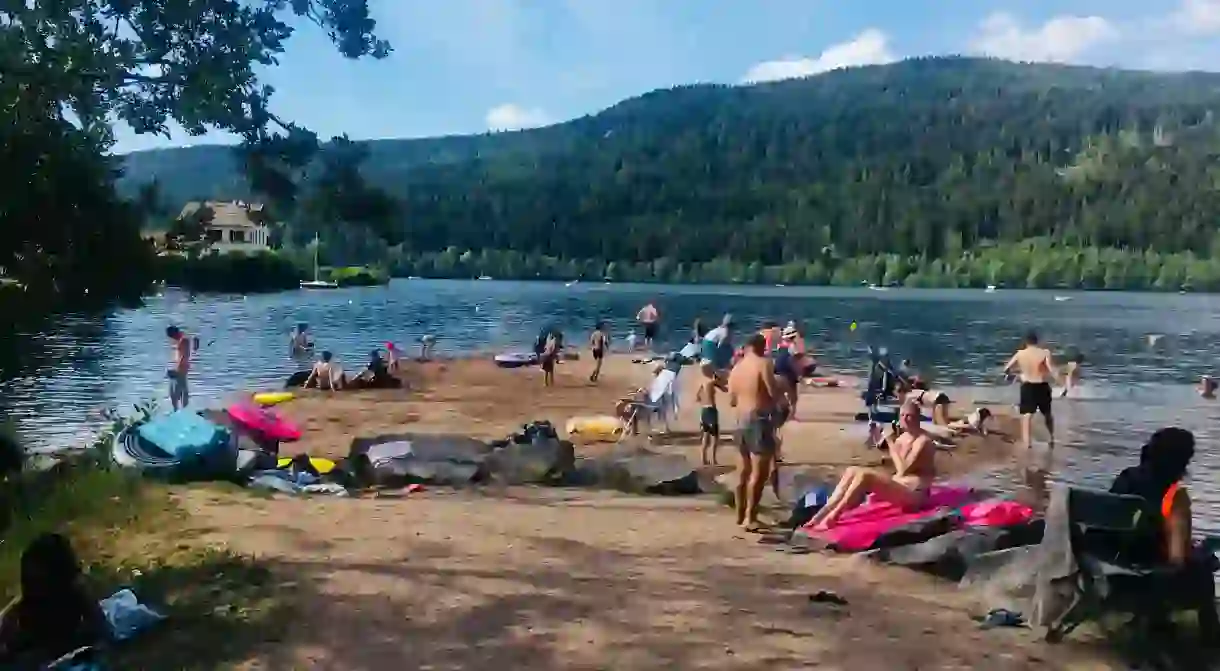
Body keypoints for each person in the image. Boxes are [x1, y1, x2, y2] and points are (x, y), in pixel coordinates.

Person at [1109, 428, 1220, 640]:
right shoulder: (1174, 494)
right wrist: (1198, 551)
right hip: (1151, 578)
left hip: (1114, 567)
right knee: (1206, 561)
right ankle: (1210, 632)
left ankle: (1156, 619)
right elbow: (1176, 559)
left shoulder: (1126, 478)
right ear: (1183, 460)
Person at [806, 400, 936, 530]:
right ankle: (822, 513)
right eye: (902, 415)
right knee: (852, 470)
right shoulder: (902, 438)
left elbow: (903, 469)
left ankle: (833, 517)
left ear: (918, 417)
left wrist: (890, 442)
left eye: (909, 416)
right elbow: (896, 463)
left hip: (915, 495)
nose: (905, 419)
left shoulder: (923, 441)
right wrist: (883, 443)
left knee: (866, 475)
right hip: (901, 486)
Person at [0, 533, 107, 666]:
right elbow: (15, 614)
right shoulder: (29, 597)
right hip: (36, 640)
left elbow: (100, 628)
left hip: (62, 641)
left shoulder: (77, 592)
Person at [727, 333, 781, 532]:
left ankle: (739, 515)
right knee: (759, 473)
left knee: (742, 471)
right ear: (761, 346)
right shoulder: (763, 363)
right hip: (758, 419)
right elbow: (772, 391)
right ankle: (750, 517)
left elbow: (731, 399)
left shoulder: (737, 367)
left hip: (740, 420)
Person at [1003, 330, 1058, 451]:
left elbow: (1006, 368)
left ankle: (1027, 443)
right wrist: (1057, 378)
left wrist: (1014, 375)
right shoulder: (1044, 353)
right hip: (1042, 385)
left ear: (1026, 342)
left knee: (1027, 415)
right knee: (1047, 414)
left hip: (1027, 385)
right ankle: (1051, 438)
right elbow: (1050, 368)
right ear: (1037, 341)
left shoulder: (1020, 354)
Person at [696, 364, 727, 465]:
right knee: (715, 437)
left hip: (704, 410)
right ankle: (713, 459)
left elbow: (697, 397)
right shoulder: (711, 382)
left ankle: (703, 458)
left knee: (706, 435)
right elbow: (724, 386)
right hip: (711, 411)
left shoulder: (702, 383)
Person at [165, 325, 196, 410]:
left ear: (174, 334)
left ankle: (178, 411)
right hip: (182, 368)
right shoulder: (182, 340)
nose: (172, 339)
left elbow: (184, 356)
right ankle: (182, 410)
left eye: (172, 336)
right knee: (181, 391)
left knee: (175, 393)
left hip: (181, 369)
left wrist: (177, 370)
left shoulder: (183, 340)